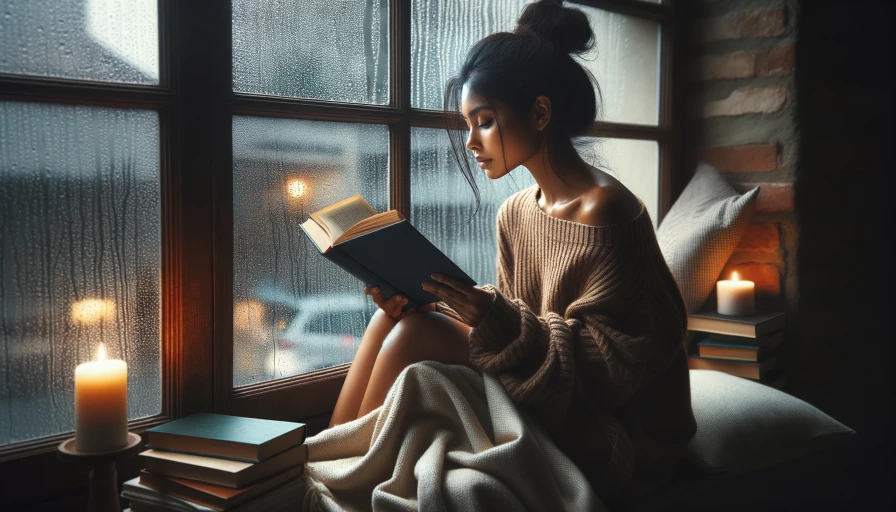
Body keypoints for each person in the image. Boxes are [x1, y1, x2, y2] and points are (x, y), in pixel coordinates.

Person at [328, 0, 696, 503]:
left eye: (483, 121)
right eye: (467, 124)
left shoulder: (607, 212)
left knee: (414, 334)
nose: (472, 143)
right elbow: (516, 333)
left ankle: (339, 482)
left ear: (540, 113)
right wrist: (445, 303)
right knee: (392, 320)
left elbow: (616, 370)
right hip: (541, 388)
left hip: (613, 432)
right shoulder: (517, 212)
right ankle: (324, 466)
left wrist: (492, 317)